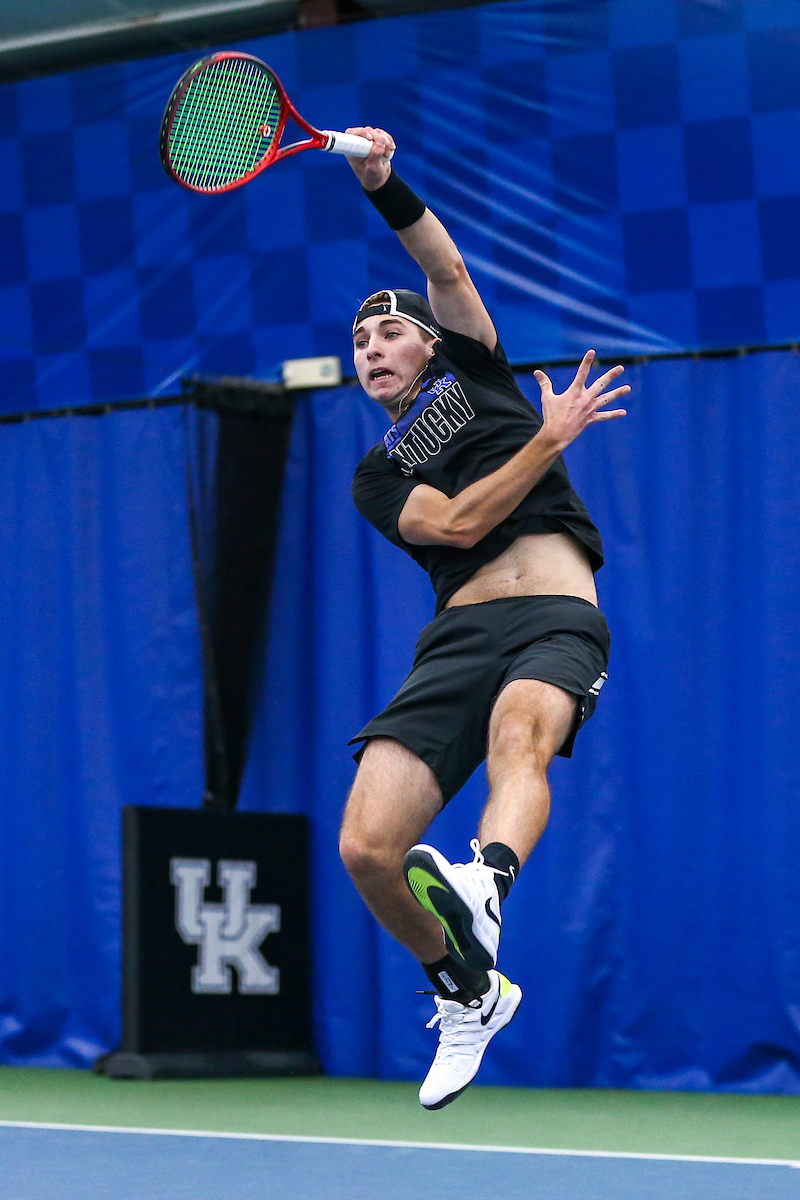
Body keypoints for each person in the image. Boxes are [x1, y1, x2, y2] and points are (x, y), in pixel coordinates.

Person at [338, 127, 629, 1110]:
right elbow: (459, 523)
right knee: (367, 850)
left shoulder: (478, 372)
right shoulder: (377, 474)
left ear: (431, 342)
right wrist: (547, 442)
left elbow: (443, 265)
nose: (373, 350)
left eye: (389, 333)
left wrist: (383, 184)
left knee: (520, 740)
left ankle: (487, 883)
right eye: (359, 344)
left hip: (555, 614)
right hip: (457, 640)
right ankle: (466, 989)